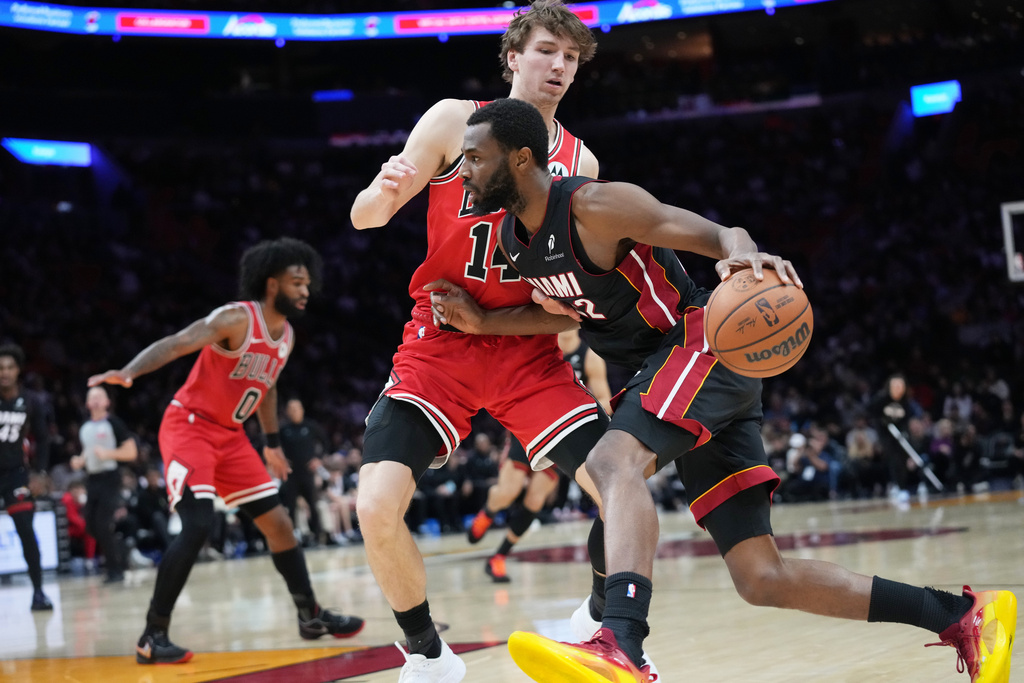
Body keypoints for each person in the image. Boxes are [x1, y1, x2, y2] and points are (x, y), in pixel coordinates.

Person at [428, 97, 1017, 683]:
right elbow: (565, 313)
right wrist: (484, 322)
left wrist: (744, 259)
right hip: (667, 376)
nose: (464, 170)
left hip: (697, 344)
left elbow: (723, 234)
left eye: (475, 158)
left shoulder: (596, 206)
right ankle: (962, 616)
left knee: (610, 463)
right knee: (762, 577)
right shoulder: (511, 239)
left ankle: (622, 645)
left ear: (521, 158)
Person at [346, 3, 648, 681]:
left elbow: (570, 314)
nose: (559, 66)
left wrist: (508, 319)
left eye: (570, 57)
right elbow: (365, 218)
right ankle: (428, 655)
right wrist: (382, 192)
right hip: (438, 342)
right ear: (513, 56)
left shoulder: (581, 161)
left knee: (622, 486)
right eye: (546, 51)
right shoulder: (454, 120)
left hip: (525, 352)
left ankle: (597, 621)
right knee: (374, 506)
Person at [88, 237, 365, 665]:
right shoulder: (236, 318)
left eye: (307, 283)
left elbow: (267, 387)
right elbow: (178, 342)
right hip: (190, 427)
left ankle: (309, 616)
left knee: (280, 525)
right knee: (198, 524)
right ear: (271, 284)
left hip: (232, 436)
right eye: (297, 282)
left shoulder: (287, 336)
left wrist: (271, 443)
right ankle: (152, 635)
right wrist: (129, 372)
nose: (306, 291)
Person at [468, 328, 613, 584]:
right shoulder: (543, 343)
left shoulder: (590, 356)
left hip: (563, 431)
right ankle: (489, 511)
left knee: (535, 500)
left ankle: (499, 556)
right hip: (528, 423)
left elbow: (605, 398)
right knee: (508, 491)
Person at [0, 343, 54, 611]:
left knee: (26, 532)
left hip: (16, 475)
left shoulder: (31, 401)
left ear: (18, 370)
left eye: (10, 367)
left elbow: (43, 440)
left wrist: (40, 473)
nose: (4, 372)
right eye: (0, 368)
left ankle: (39, 592)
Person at [70, 385, 139, 583]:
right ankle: (121, 553)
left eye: (100, 396)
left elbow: (131, 452)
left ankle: (115, 570)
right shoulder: (85, 427)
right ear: (87, 403)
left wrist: (109, 453)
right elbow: (88, 451)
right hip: (92, 478)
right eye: (92, 397)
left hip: (110, 477)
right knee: (90, 525)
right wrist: (80, 460)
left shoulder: (114, 423)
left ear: (107, 402)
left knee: (102, 524)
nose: (96, 400)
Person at [278, 398, 329, 546]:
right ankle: (293, 538)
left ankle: (317, 537)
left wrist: (318, 459)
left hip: (307, 473)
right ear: (287, 412)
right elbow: (274, 447)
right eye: (291, 409)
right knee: (291, 506)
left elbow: (325, 442)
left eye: (297, 408)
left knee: (313, 505)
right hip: (291, 473)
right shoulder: (283, 429)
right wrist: (281, 460)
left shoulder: (310, 426)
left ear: (302, 410)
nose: (294, 412)